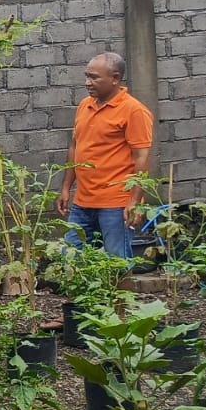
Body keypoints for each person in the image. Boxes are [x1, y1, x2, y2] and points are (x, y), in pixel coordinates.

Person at [56, 52, 153, 259]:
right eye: (86, 76)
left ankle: (120, 293)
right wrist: (66, 187)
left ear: (115, 78)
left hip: (116, 204)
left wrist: (134, 201)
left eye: (94, 77)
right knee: (71, 257)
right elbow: (75, 147)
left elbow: (141, 159)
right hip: (82, 201)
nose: (87, 82)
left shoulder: (134, 111)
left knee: (117, 261)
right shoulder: (85, 105)